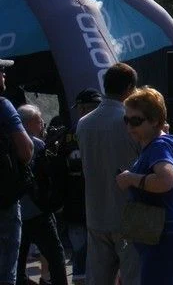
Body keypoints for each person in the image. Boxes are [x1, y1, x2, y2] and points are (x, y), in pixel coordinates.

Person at [115, 87, 173, 285]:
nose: (129, 126)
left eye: (136, 121)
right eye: (126, 120)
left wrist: (131, 178)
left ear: (155, 120)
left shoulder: (159, 145)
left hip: (163, 239)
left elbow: (166, 180)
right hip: (161, 236)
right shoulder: (158, 143)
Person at [76, 62, 141, 285]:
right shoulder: (132, 122)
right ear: (130, 88)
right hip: (129, 215)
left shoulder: (83, 123)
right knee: (134, 278)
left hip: (96, 213)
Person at [15, 104, 68, 285]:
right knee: (55, 254)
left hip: (16, 211)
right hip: (38, 210)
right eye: (39, 122)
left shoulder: (8, 143)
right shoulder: (36, 145)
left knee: (18, 259)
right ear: (30, 123)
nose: (42, 125)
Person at [57, 88, 102, 285]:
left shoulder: (69, 134)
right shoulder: (112, 130)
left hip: (74, 203)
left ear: (82, 108)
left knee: (80, 253)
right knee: (105, 255)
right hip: (103, 202)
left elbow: (59, 170)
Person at [0, 59, 34, 285]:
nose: (4, 74)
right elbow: (25, 151)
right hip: (4, 201)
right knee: (5, 272)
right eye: (1, 70)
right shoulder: (3, 106)